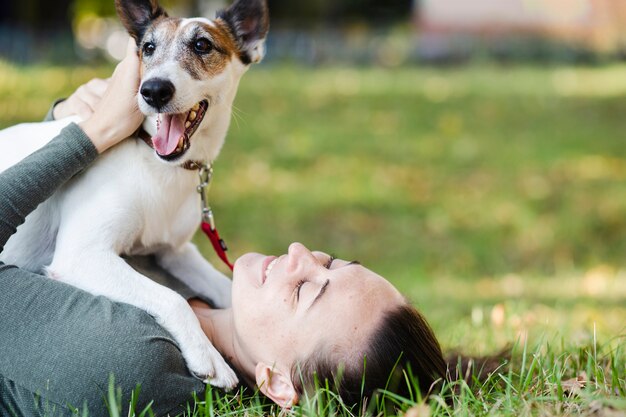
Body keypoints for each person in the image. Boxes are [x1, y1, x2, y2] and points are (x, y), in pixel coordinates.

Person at [0, 41, 446, 416]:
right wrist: (63, 118)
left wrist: (94, 132)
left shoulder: (133, 363)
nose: (298, 252)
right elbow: (47, 225)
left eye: (305, 291)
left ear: (277, 383)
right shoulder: (187, 281)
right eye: (329, 260)